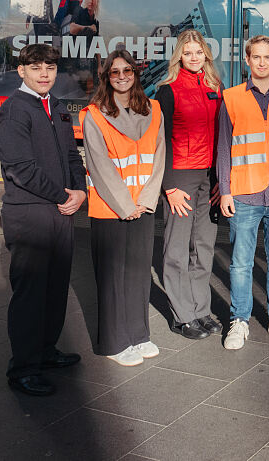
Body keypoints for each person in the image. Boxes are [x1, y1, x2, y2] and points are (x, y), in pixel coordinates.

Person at [0, 43, 85, 396]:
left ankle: (46, 350)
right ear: (22, 72)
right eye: (36, 68)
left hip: (60, 211)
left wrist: (80, 191)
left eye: (50, 67)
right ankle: (24, 368)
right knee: (31, 293)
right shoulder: (13, 112)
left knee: (55, 288)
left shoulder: (57, 108)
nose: (44, 74)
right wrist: (64, 197)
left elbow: (72, 156)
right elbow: (21, 170)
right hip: (29, 214)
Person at [216, 35, 269, 350]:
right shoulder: (231, 97)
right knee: (240, 263)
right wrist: (225, 191)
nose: (263, 62)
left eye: (268, 57)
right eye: (257, 57)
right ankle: (239, 321)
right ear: (248, 61)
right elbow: (224, 147)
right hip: (243, 192)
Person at [81, 50, 165, 366]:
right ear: (106, 77)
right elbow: (99, 165)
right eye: (114, 72)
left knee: (139, 273)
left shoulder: (153, 110)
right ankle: (114, 343)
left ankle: (138, 335)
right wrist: (125, 204)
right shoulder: (94, 115)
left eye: (127, 70)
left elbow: (158, 157)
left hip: (143, 207)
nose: (121, 76)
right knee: (112, 277)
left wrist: (145, 201)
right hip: (110, 208)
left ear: (135, 74)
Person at [155, 30, 223, 341]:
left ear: (206, 55)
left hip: (208, 177)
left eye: (198, 52)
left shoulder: (216, 88)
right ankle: (182, 315)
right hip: (180, 175)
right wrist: (167, 185)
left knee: (205, 246)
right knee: (176, 248)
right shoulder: (167, 90)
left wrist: (222, 179)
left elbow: (223, 137)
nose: (194, 58)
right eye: (187, 52)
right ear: (179, 56)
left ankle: (201, 310)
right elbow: (160, 141)